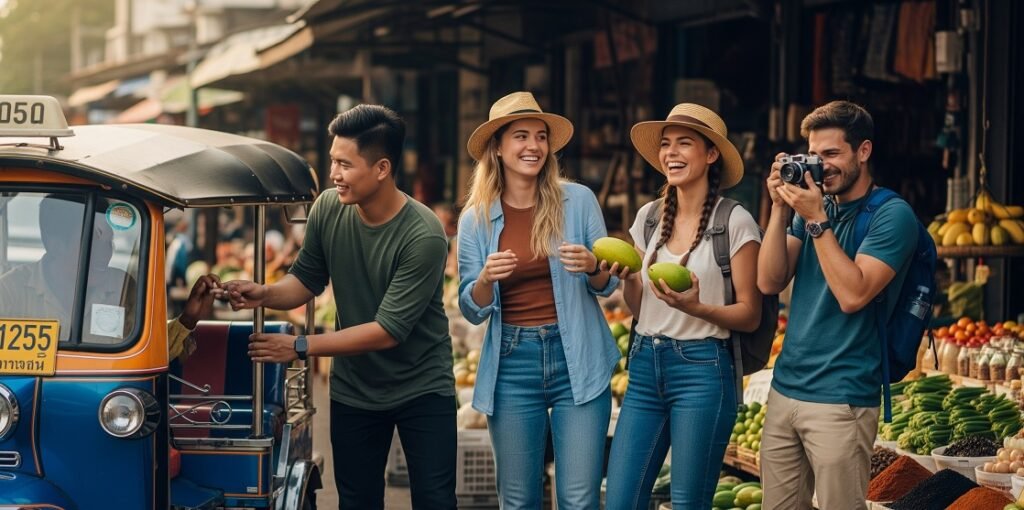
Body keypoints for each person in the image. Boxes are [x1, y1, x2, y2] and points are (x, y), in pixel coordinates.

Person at [217, 104, 456, 510]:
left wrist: (299, 347)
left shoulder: (424, 234)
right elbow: (307, 279)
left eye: (345, 164)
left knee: (435, 501)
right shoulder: (328, 207)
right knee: (356, 501)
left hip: (422, 387)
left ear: (382, 168)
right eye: (332, 161)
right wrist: (265, 292)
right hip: (355, 389)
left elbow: (387, 331)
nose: (333, 174)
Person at [457, 91, 620, 509]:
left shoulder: (578, 201)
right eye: (521, 136)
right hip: (512, 365)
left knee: (579, 500)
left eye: (541, 137)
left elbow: (607, 285)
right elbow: (471, 309)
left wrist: (592, 266)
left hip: (577, 359)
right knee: (518, 500)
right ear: (497, 146)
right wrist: (485, 280)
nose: (533, 146)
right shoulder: (475, 218)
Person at [756, 101, 917, 509]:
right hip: (785, 389)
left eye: (831, 154)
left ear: (863, 151)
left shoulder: (892, 216)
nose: (820, 166)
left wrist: (815, 220)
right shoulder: (813, 206)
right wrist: (778, 209)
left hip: (842, 397)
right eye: (813, 155)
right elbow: (769, 280)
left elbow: (853, 295)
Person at [605, 103, 763, 509]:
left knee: (689, 502)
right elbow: (640, 307)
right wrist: (627, 279)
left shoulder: (735, 221)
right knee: (622, 499)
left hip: (703, 372)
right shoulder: (649, 217)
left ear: (712, 155)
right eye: (666, 145)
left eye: (684, 144)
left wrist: (699, 309)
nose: (671, 153)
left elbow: (750, 313)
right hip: (643, 365)